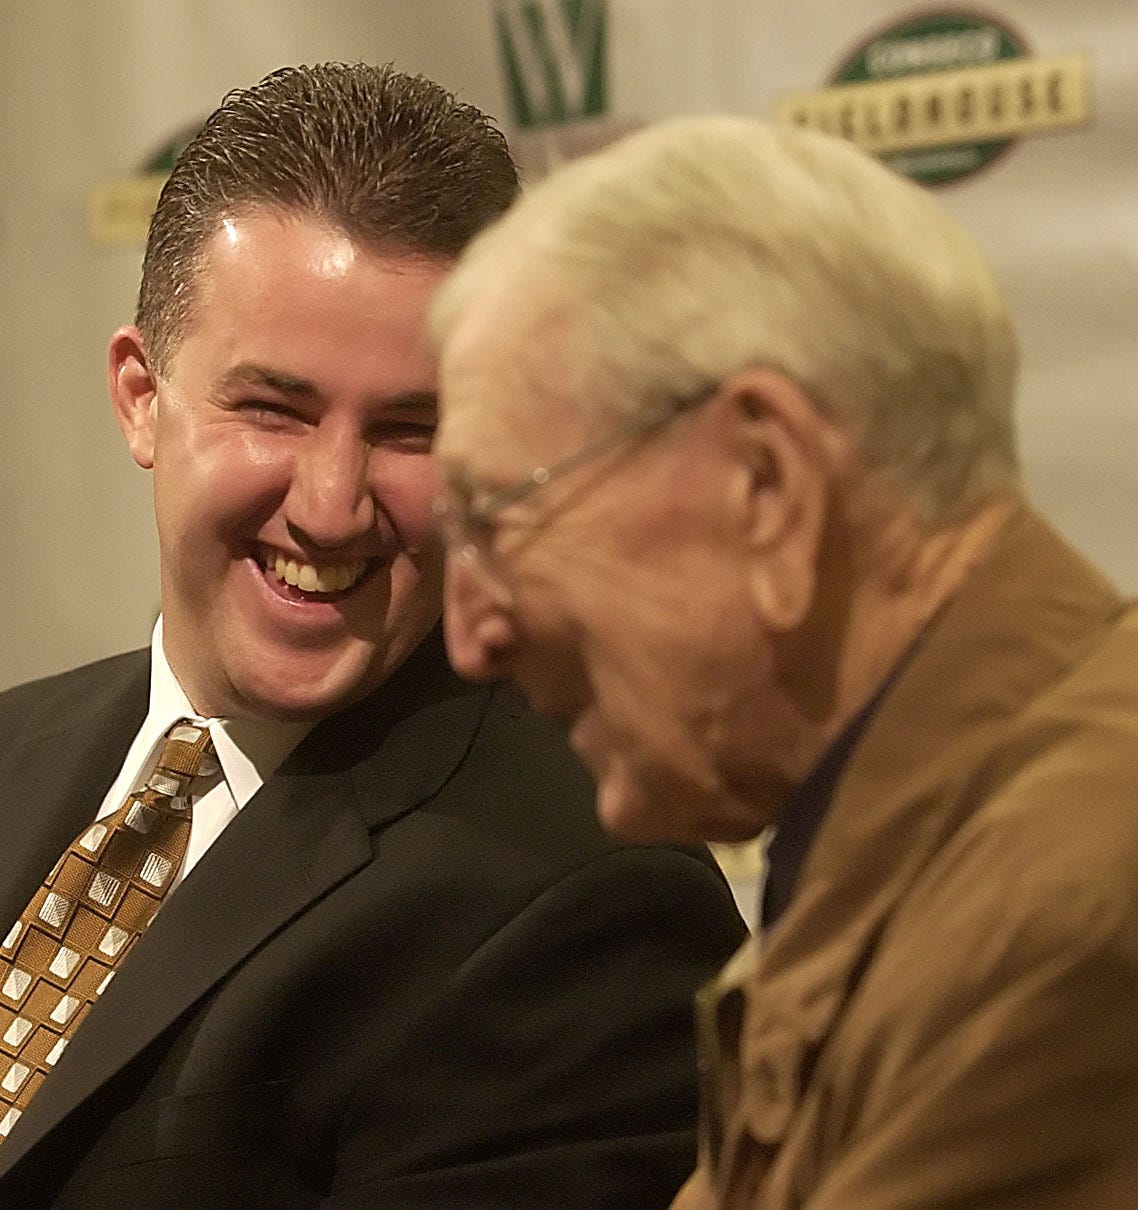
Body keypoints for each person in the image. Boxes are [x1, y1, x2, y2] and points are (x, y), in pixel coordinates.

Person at [0, 67, 747, 1208]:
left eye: (411, 429)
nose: (333, 505)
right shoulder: (17, 744)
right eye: (274, 409)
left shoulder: (588, 898)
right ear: (141, 396)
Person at [429, 114, 1138, 1207]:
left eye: (496, 517)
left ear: (766, 488)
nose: (467, 635)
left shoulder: (1056, 909)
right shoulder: (917, 852)